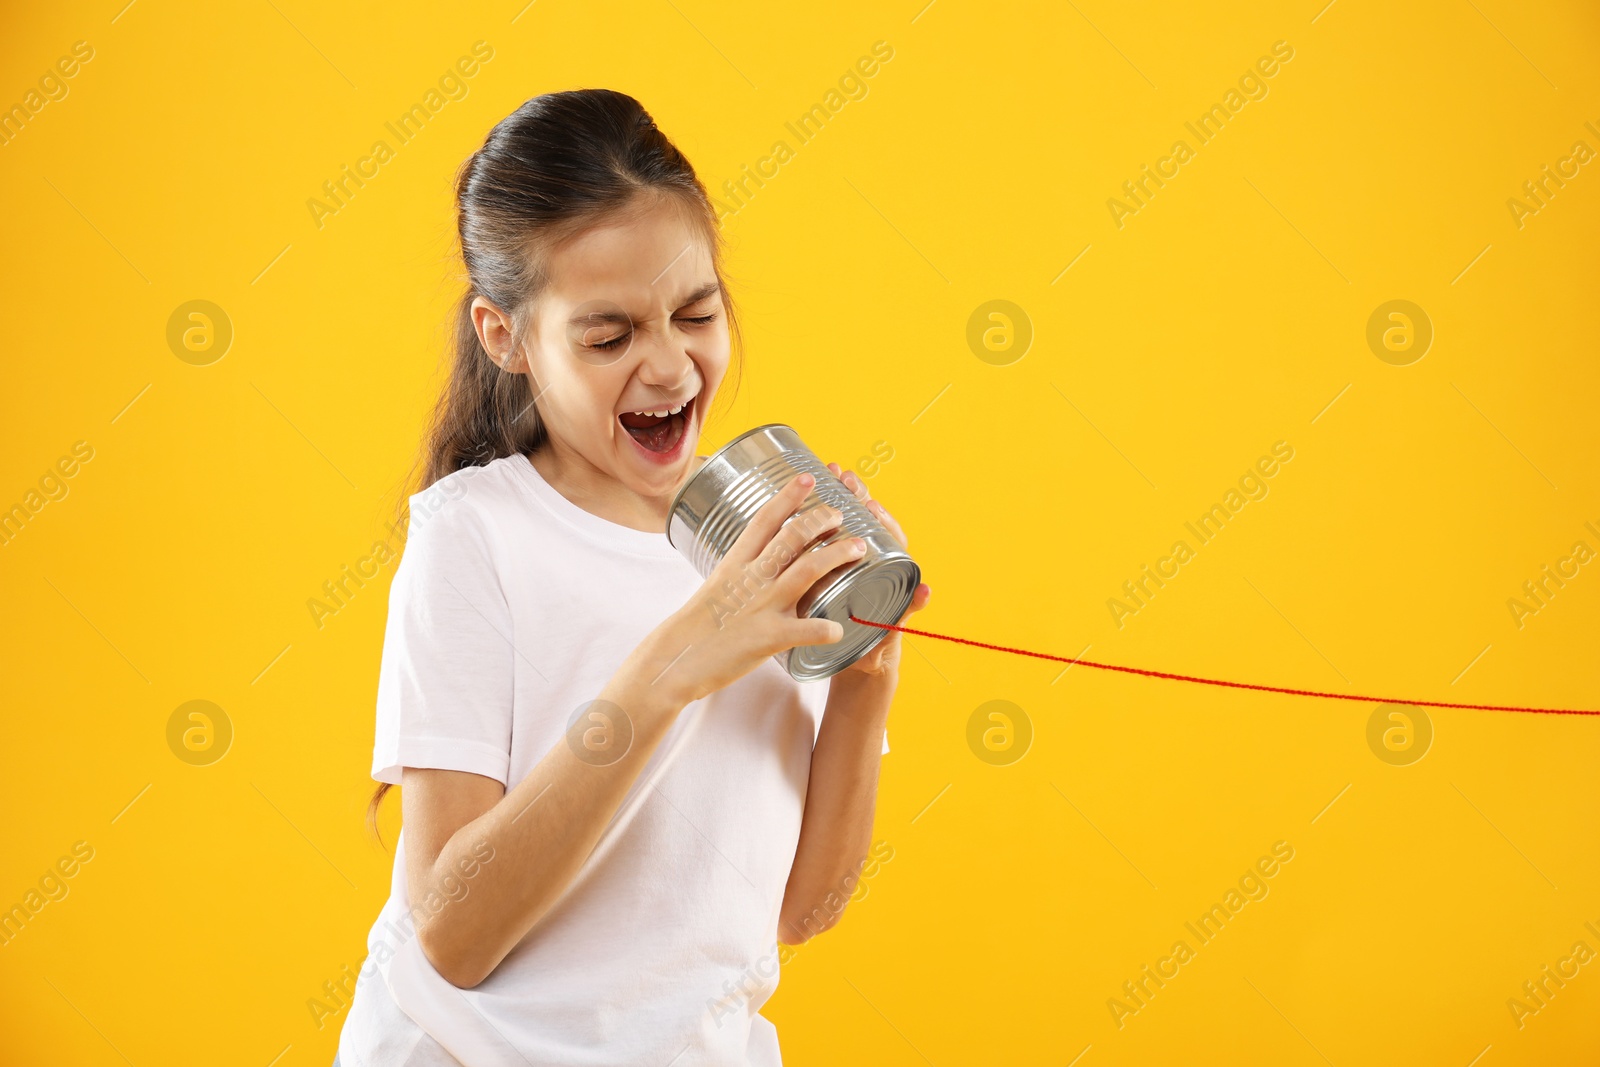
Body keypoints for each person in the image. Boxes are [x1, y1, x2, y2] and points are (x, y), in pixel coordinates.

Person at [333, 88, 931, 1066]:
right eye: (608, 337)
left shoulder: (757, 538)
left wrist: (866, 675)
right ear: (506, 337)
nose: (668, 367)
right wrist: (672, 665)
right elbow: (452, 933)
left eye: (694, 312)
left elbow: (800, 909)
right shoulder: (477, 536)